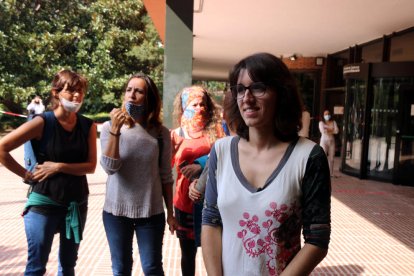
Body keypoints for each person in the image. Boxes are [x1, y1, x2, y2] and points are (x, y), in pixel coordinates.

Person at [202, 52, 331, 275]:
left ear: (281, 93)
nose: (247, 98)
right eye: (240, 89)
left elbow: (317, 240)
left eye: (258, 87)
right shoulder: (221, 151)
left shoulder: (309, 157)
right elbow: (211, 221)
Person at [0, 69, 97, 275]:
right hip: (44, 203)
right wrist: (26, 175)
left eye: (80, 91)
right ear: (56, 93)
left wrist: (59, 166)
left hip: (76, 204)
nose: (77, 96)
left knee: (68, 266)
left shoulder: (87, 125)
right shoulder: (42, 122)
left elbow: (91, 166)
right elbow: (2, 148)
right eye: (71, 91)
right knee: (36, 267)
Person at [100, 73, 176, 276]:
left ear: (149, 98)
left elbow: (166, 175)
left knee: (152, 268)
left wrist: (171, 213)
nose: (131, 95)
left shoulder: (161, 133)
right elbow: (109, 167)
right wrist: (116, 129)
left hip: (151, 212)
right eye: (129, 90)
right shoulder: (109, 128)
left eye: (139, 91)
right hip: (115, 212)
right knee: (121, 268)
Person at [171, 86, 225, 276]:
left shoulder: (217, 131)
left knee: (217, 253)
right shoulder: (176, 134)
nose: (200, 108)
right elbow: (164, 166)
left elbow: (225, 157)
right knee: (188, 255)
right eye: (194, 104)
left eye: (203, 103)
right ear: (184, 107)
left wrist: (201, 166)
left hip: (212, 203)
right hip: (184, 204)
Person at [319, 109, 339, 177]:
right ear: (323, 115)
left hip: (331, 141)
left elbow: (336, 131)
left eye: (328, 114)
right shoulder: (321, 123)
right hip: (324, 141)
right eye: (325, 114)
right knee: (323, 157)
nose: (327, 115)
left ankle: (331, 173)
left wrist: (328, 129)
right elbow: (323, 131)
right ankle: (322, 172)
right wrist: (331, 129)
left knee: (332, 158)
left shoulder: (333, 122)